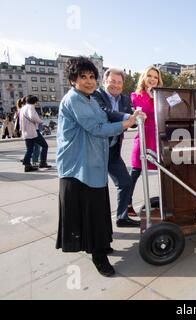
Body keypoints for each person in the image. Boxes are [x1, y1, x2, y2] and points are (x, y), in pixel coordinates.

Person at [55, 57, 144, 277]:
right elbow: (97, 127)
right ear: (73, 79)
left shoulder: (89, 99)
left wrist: (128, 116)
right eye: (82, 77)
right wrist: (126, 123)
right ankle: (98, 256)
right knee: (91, 213)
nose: (88, 81)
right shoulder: (74, 99)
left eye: (91, 76)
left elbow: (105, 115)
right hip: (78, 167)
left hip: (93, 164)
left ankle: (101, 245)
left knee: (99, 209)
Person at [93, 68, 140, 228]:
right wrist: (129, 117)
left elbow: (126, 125)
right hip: (95, 151)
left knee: (125, 182)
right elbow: (105, 113)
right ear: (104, 82)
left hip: (112, 151)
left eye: (119, 82)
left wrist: (136, 117)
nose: (116, 85)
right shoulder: (95, 95)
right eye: (112, 81)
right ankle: (97, 226)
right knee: (96, 190)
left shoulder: (125, 100)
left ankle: (122, 217)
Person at [128, 66, 163, 215]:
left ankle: (165, 202)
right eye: (149, 76)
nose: (152, 79)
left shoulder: (162, 95)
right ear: (144, 77)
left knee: (164, 171)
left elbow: (178, 105)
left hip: (160, 138)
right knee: (135, 171)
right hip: (143, 137)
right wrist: (150, 95)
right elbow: (142, 113)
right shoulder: (136, 95)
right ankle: (127, 204)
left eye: (156, 77)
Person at [19, 95, 52, 172]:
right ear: (34, 101)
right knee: (45, 146)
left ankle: (27, 165)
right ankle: (42, 162)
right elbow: (32, 116)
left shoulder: (23, 108)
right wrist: (41, 121)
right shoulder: (31, 107)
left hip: (26, 131)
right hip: (33, 131)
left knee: (29, 149)